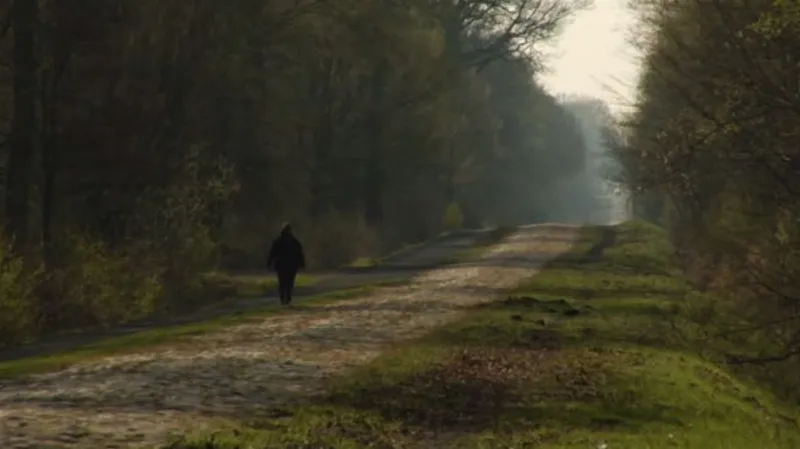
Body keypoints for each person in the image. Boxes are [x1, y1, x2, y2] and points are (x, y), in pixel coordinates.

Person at [266, 223, 306, 305]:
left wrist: (269, 263)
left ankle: (282, 298)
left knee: (282, 282)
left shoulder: (278, 241)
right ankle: (287, 297)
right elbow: (300, 253)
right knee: (290, 282)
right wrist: (302, 264)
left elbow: (272, 253)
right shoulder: (294, 241)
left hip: (281, 265)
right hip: (292, 265)